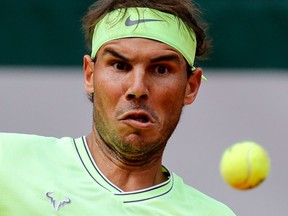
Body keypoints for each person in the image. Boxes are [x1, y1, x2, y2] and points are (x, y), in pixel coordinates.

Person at [0, 0, 236, 215]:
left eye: (161, 69)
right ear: (90, 75)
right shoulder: (6, 162)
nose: (137, 88)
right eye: (120, 66)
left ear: (191, 86)